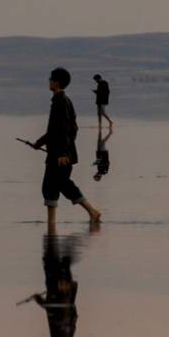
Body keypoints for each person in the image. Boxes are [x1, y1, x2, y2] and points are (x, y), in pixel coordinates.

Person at [33, 67, 100, 226]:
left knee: (56, 184)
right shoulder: (61, 100)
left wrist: (63, 153)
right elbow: (59, 130)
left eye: (51, 79)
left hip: (61, 155)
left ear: (56, 82)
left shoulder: (61, 102)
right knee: (56, 184)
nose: (49, 81)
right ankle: (53, 222)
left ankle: (91, 212)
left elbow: (64, 129)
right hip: (59, 153)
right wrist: (39, 143)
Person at [34, 231, 80, 337]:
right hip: (58, 289)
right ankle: (82, 234)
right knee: (52, 254)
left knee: (53, 255)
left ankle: (62, 233)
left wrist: (42, 303)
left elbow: (61, 314)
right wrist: (65, 293)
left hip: (56, 290)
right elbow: (65, 313)